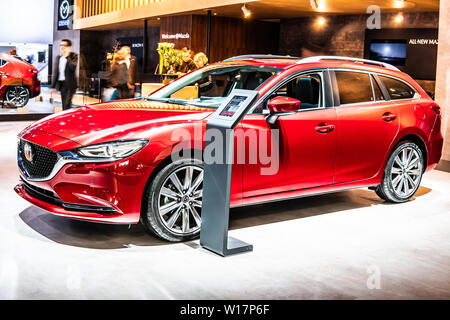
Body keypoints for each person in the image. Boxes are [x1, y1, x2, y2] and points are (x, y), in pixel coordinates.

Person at [51, 39, 78, 110]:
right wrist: (53, 86)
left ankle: (69, 119)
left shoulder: (73, 56)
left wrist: (67, 56)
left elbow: (73, 68)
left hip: (70, 85)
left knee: (67, 104)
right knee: (64, 104)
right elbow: (56, 72)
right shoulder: (59, 58)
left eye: (64, 45)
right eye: (61, 45)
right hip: (62, 85)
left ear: (69, 47)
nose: (62, 47)